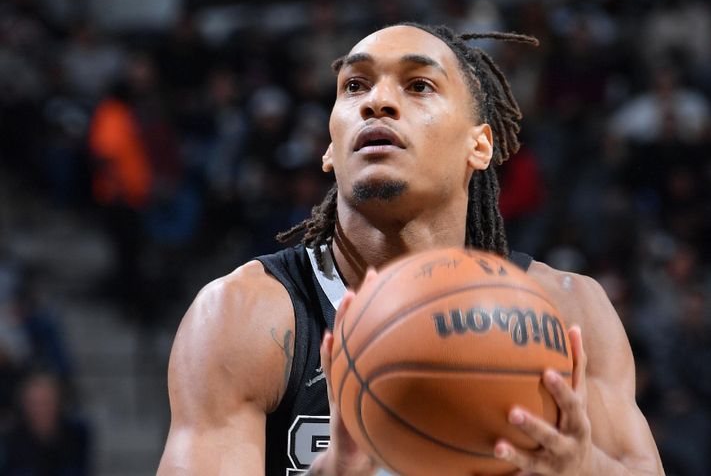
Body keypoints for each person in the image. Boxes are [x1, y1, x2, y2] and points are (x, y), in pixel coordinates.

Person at [156, 24, 664, 475]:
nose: (376, 102)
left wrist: (583, 468)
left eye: (419, 85)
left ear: (479, 145)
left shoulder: (569, 313)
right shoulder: (244, 318)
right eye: (354, 86)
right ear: (330, 149)